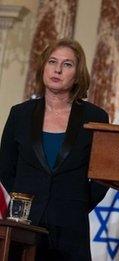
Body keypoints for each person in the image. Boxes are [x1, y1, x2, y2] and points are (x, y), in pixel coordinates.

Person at [0, 38, 109, 260]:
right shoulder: (19, 114)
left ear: (78, 74)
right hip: (24, 226)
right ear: (43, 67)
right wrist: (23, 203)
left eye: (67, 64)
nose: (57, 69)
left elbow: (102, 175)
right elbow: (5, 168)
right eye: (52, 61)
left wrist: (78, 203)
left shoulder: (95, 118)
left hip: (70, 227)